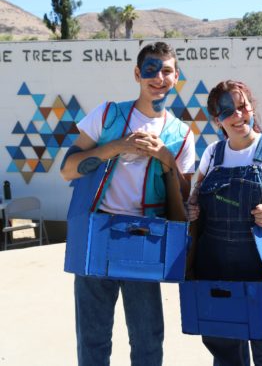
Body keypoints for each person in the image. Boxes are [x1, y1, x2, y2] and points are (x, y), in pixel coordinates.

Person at [60, 41, 195, 366]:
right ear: (137, 73)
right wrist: (116, 146)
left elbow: (182, 209)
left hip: (144, 241)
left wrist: (165, 159)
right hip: (98, 234)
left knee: (148, 340)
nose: (158, 77)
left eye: (166, 71)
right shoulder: (107, 115)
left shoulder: (182, 135)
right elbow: (67, 169)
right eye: (151, 69)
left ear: (176, 77)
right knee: (93, 339)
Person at [187, 80, 262, 366]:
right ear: (217, 119)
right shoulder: (212, 154)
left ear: (252, 107)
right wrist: (192, 208)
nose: (239, 115)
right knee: (224, 348)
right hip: (214, 266)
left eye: (243, 106)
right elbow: (196, 200)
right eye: (227, 111)